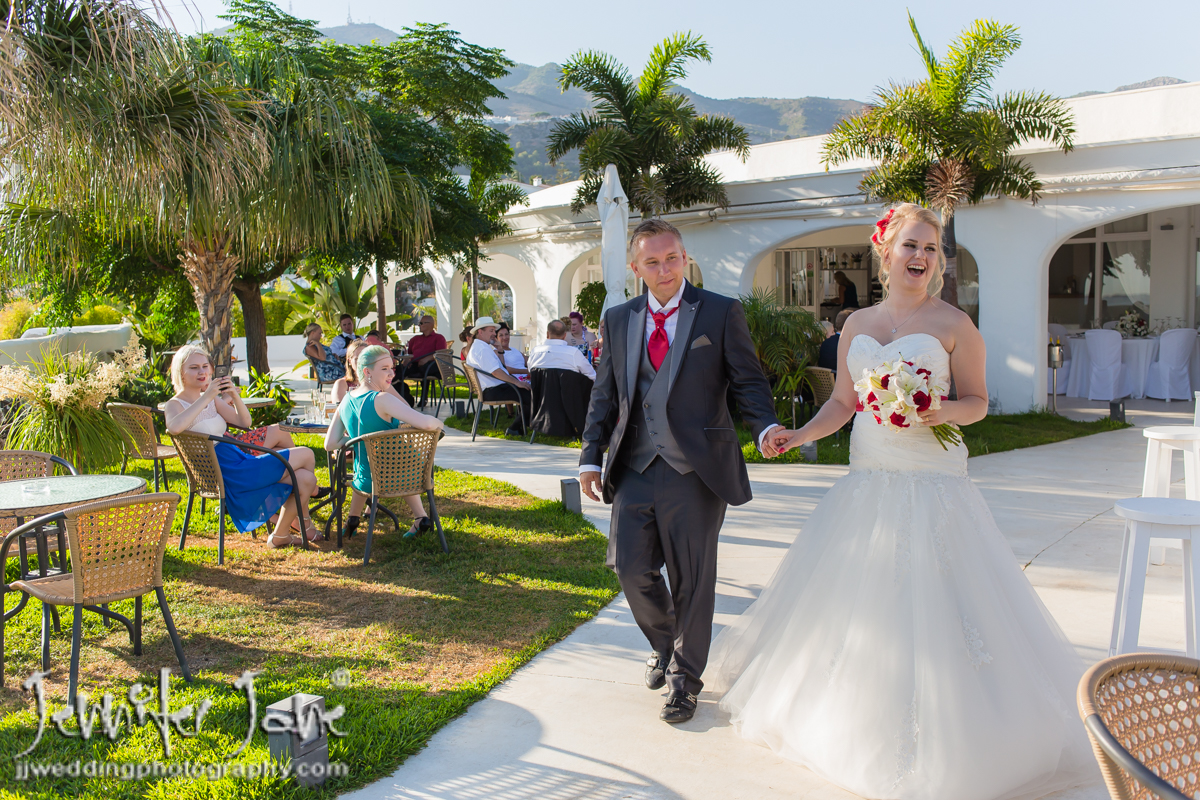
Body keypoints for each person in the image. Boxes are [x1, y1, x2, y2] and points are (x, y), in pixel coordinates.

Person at [711, 204, 1095, 799]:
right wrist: (802, 433)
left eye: (931, 249)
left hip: (934, 477)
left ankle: (966, 728)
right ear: (886, 251)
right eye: (911, 245)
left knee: (943, 599)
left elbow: (978, 401)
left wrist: (940, 410)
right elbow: (844, 402)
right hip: (870, 475)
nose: (921, 257)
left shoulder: (955, 324)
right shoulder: (856, 324)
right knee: (863, 601)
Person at [578, 218, 783, 725]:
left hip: (696, 469)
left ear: (685, 257)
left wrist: (763, 427)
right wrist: (590, 455)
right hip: (634, 464)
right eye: (652, 261)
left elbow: (748, 382)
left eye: (672, 258)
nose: (665, 269)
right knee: (630, 568)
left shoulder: (719, 311)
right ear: (636, 268)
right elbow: (605, 394)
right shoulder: (619, 318)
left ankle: (684, 682)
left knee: (693, 577)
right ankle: (667, 643)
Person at [164, 345, 321, 547]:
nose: (202, 372)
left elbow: (244, 422)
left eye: (205, 366)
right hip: (225, 472)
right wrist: (207, 396)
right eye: (194, 368)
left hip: (239, 460)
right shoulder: (175, 404)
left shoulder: (212, 401)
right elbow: (174, 427)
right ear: (181, 373)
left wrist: (234, 396)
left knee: (306, 479)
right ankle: (303, 521)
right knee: (306, 454)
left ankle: (280, 535)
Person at [324, 345, 444, 540]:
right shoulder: (382, 399)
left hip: (366, 481)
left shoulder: (345, 400)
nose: (391, 374)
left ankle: (353, 519)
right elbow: (427, 424)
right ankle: (421, 517)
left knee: (370, 465)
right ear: (367, 372)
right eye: (384, 369)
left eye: (391, 368)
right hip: (409, 478)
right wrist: (440, 423)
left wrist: (358, 438)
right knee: (400, 460)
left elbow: (329, 444)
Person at [464, 316, 532, 436]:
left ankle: (524, 425)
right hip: (493, 390)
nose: (494, 334)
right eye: (491, 331)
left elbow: (501, 367)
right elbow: (496, 372)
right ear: (480, 332)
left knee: (530, 391)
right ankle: (516, 428)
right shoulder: (482, 349)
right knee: (533, 394)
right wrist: (517, 382)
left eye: (494, 331)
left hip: (494, 388)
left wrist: (500, 349)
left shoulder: (481, 347)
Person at [528, 319, 596, 380]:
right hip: (569, 390)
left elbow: (530, 370)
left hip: (540, 390)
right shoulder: (574, 353)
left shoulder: (535, 352)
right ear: (564, 336)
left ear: (547, 334)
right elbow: (592, 376)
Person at [403, 314, 447, 407]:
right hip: (415, 364)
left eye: (421, 323)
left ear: (430, 324)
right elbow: (408, 352)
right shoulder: (415, 339)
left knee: (425, 368)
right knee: (399, 370)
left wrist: (426, 359)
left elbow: (441, 354)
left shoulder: (439, 338)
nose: (419, 325)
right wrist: (406, 360)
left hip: (432, 365)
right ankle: (403, 396)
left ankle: (424, 397)